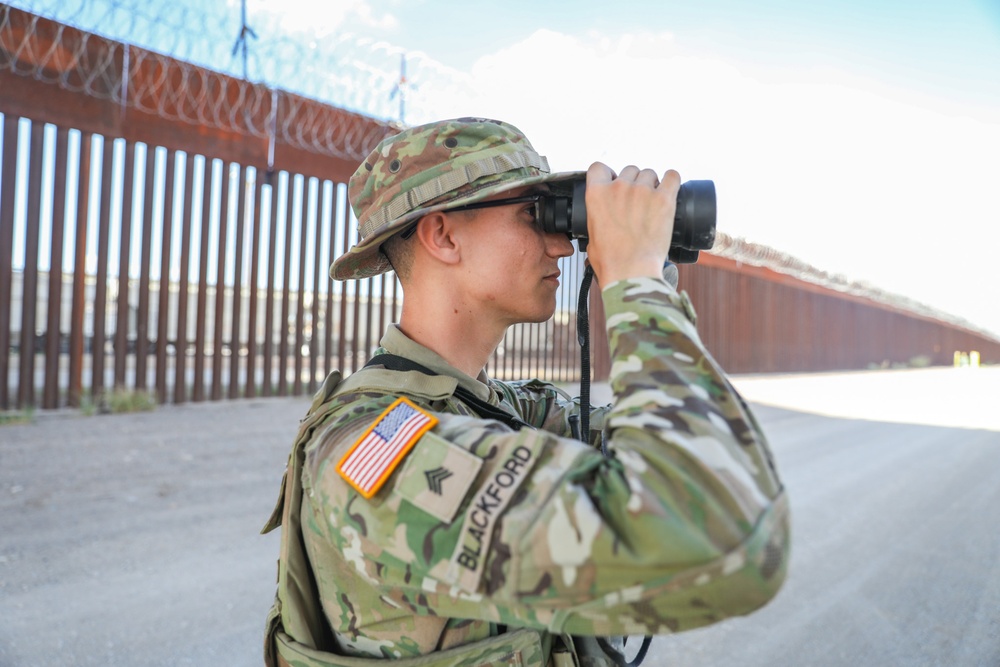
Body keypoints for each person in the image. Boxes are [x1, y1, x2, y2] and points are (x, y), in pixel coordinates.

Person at [262, 117, 789, 667]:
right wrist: (634, 280)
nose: (562, 244)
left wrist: (650, 271)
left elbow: (707, 451)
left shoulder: (507, 410)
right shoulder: (366, 449)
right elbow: (720, 534)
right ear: (443, 235)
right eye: (532, 215)